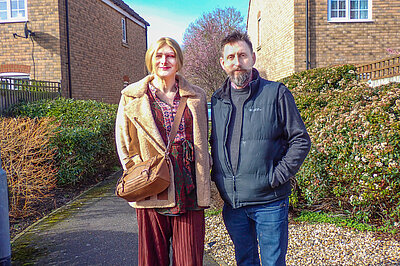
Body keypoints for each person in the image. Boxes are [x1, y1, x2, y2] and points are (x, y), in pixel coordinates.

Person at [210, 31, 311, 266]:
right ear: (222, 63)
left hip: (270, 202)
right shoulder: (217, 100)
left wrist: (277, 176)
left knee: (273, 262)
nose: (238, 63)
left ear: (253, 58)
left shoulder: (276, 93)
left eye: (243, 55)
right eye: (231, 57)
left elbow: (300, 140)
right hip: (234, 205)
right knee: (245, 261)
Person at [115, 37, 211, 266]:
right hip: (151, 183)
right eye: (159, 55)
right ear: (151, 60)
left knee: (189, 258)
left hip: (189, 185)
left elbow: (203, 140)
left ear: (178, 61)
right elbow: (123, 141)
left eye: (170, 55)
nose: (164, 60)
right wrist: (137, 173)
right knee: (152, 259)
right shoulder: (132, 96)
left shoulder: (196, 95)